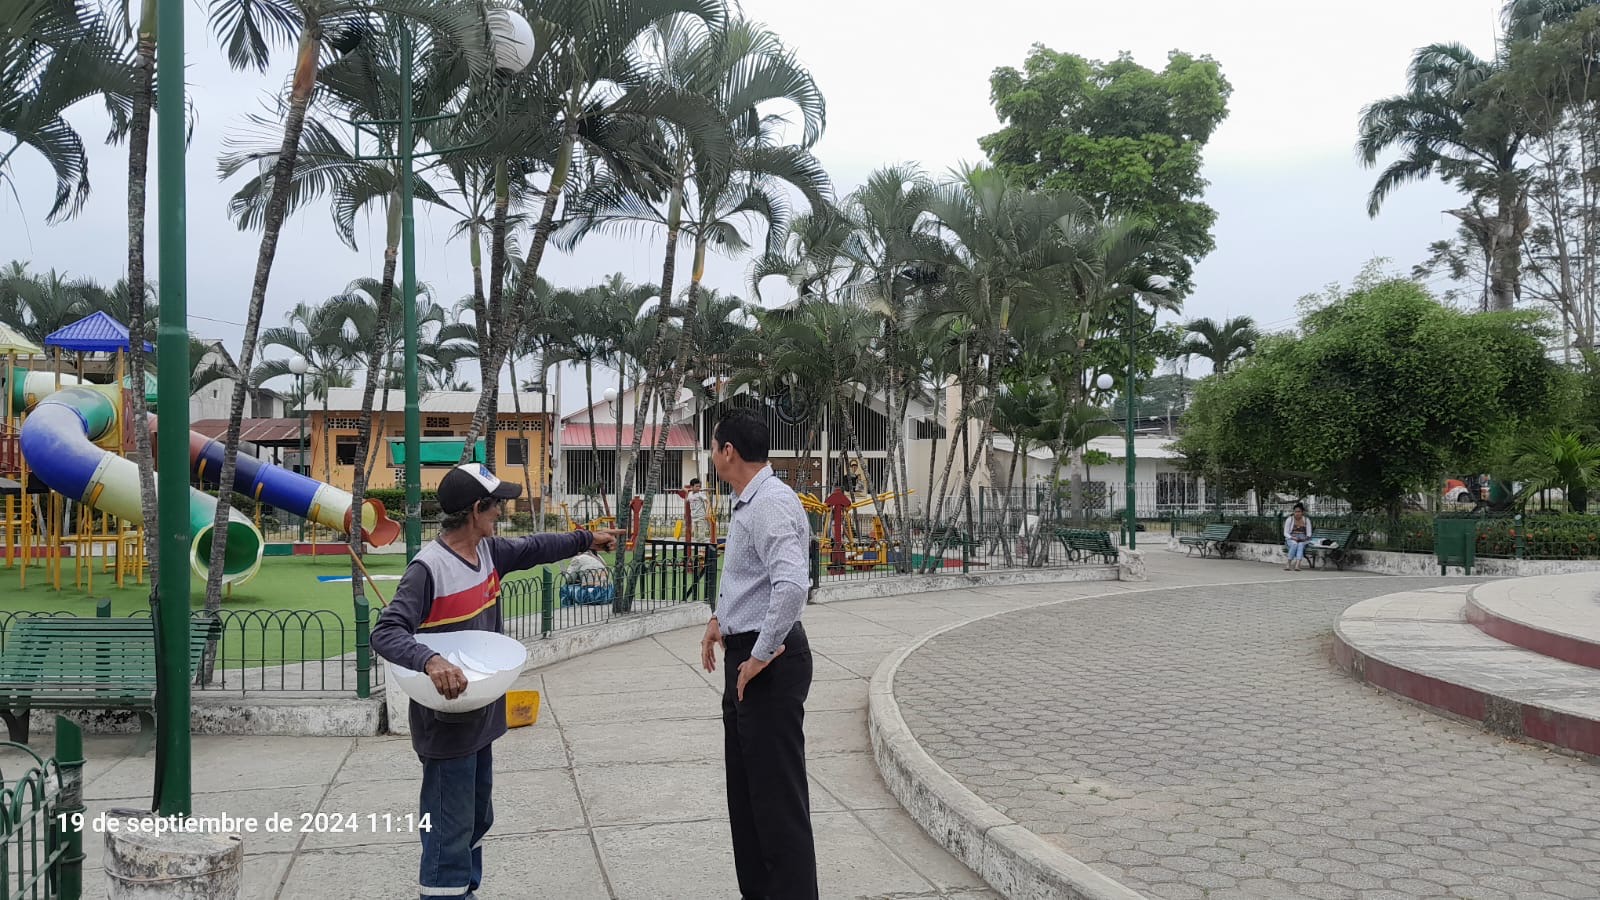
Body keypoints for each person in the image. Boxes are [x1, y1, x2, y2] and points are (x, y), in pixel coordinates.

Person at [371, 463, 616, 900]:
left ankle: (466, 890)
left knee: (477, 820)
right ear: (475, 510)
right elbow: (386, 631)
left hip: (480, 714)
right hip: (446, 725)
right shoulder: (429, 568)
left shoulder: (488, 553)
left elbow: (536, 546)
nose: (501, 511)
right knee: (448, 830)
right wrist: (430, 660)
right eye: (496, 504)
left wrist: (586, 539)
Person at [699, 408, 817, 899]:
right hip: (749, 656)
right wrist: (719, 620)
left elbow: (792, 585)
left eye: (713, 446)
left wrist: (760, 654)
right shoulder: (750, 501)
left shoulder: (768, 502)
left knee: (775, 805)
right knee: (748, 801)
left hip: (768, 663)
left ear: (729, 451)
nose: (711, 455)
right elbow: (755, 581)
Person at [1283, 502, 1313, 571]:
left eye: (1299, 511)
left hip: (1303, 539)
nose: (1297, 513)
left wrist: (1305, 538)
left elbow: (1309, 533)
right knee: (1294, 544)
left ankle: (1297, 565)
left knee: (1300, 545)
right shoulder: (1290, 519)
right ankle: (1288, 563)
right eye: (1295, 511)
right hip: (1291, 538)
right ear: (1293, 512)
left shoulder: (1306, 520)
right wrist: (1292, 538)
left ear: (1302, 512)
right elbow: (1285, 533)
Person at [685, 477, 711, 541]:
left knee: (701, 535)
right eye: (696, 486)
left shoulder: (700, 494)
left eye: (699, 486)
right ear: (692, 487)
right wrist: (686, 492)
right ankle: (698, 545)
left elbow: (708, 502)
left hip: (700, 516)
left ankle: (702, 544)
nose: (698, 488)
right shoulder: (690, 494)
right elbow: (686, 501)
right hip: (694, 516)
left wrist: (707, 513)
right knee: (695, 535)